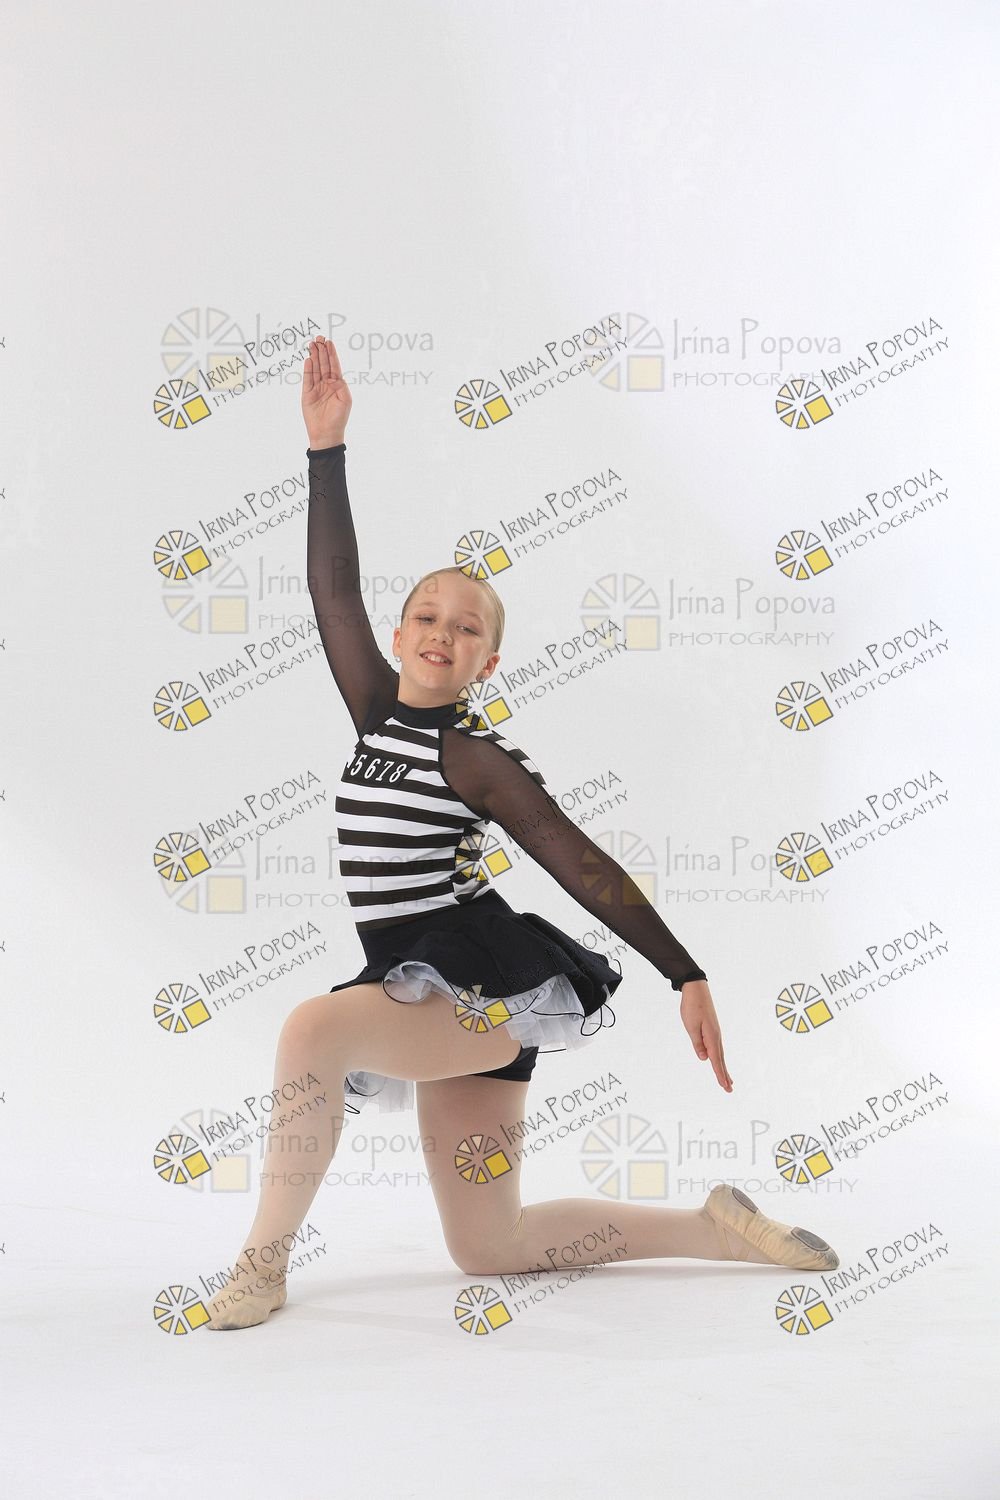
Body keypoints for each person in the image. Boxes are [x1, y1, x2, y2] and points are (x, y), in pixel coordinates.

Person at [206, 336, 839, 1330]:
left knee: (310, 1032)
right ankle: (715, 1226)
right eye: (426, 616)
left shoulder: (475, 758)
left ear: (487, 664)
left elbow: (577, 860)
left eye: (466, 628)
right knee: (488, 1247)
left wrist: (685, 972)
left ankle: (261, 1265)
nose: (440, 631)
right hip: (428, 987)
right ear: (398, 634)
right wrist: (326, 450)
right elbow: (332, 591)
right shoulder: (376, 716)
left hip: (475, 984)